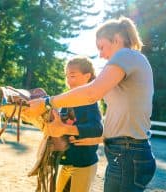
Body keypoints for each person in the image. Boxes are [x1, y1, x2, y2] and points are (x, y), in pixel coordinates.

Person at [25, 16, 156, 192]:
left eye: (101, 47)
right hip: (125, 152)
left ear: (116, 39)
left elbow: (91, 93)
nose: (101, 55)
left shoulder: (126, 55)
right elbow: (122, 114)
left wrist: (46, 102)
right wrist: (93, 138)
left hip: (127, 153)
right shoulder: (131, 63)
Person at [52, 57, 103, 192]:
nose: (68, 80)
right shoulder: (67, 101)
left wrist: (68, 129)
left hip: (84, 163)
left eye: (73, 76)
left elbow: (97, 129)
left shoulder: (90, 102)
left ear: (87, 77)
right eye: (67, 76)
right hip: (67, 161)